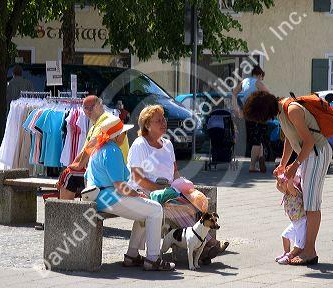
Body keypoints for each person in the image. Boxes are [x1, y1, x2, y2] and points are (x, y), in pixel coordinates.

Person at [127, 105, 229, 264]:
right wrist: (163, 189)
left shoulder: (167, 144)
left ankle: (201, 248)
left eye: (164, 119)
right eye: (158, 120)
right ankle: (209, 244)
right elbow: (137, 178)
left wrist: (182, 187)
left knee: (194, 200)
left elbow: (175, 173)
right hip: (145, 191)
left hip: (168, 190)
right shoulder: (140, 144)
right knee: (179, 206)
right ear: (147, 125)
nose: (163, 123)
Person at [243, 91, 332, 265]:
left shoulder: (291, 110)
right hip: (308, 156)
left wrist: (295, 166)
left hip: (317, 154)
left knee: (312, 205)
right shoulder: (282, 111)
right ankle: (302, 246)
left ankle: (310, 251)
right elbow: (290, 140)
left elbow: (309, 142)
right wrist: (283, 164)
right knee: (305, 202)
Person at [85, 117, 175, 271]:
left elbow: (87, 177)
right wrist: (137, 194)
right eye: (123, 133)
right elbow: (120, 186)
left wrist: (136, 193)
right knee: (155, 209)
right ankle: (153, 258)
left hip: (100, 197)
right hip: (110, 198)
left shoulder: (98, 149)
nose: (125, 136)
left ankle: (132, 255)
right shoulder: (112, 150)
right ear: (116, 136)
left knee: (145, 212)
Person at [56, 95, 129, 200]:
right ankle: (67, 212)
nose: (88, 111)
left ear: (100, 105)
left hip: (113, 175)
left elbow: (88, 151)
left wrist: (70, 169)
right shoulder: (95, 125)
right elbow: (84, 151)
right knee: (68, 174)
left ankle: (64, 215)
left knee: (69, 176)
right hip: (110, 172)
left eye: (92, 107)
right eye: (85, 108)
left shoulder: (107, 122)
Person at [232, 65, 270, 173]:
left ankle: (261, 157)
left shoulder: (244, 82)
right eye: (262, 77)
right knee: (257, 141)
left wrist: (236, 108)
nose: (262, 79)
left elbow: (234, 93)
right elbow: (268, 95)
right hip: (257, 114)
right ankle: (252, 166)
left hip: (246, 113)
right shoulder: (258, 82)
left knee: (257, 138)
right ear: (259, 75)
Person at [274, 173, 307, 265]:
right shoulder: (287, 193)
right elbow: (278, 187)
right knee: (285, 236)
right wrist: (278, 177)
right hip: (294, 222)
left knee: (299, 245)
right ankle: (286, 252)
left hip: (301, 222)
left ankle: (289, 256)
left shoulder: (294, 192)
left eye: (282, 182)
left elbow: (289, 185)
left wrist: (289, 177)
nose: (280, 184)